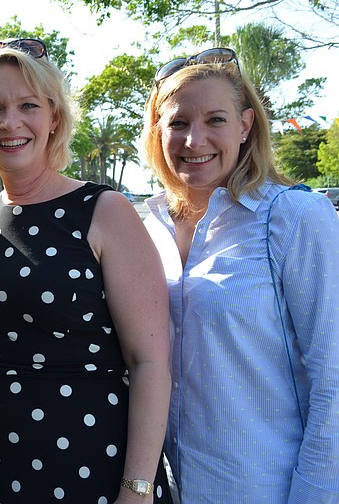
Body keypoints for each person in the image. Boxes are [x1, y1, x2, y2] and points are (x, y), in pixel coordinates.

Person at [0, 38, 173, 503]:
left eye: (28, 105)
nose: (11, 123)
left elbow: (150, 362)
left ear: (54, 117)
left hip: (87, 459)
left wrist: (138, 487)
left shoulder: (104, 211)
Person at [141, 47, 339, 502]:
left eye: (215, 120)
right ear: (158, 131)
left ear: (245, 125)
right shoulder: (143, 226)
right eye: (177, 123)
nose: (195, 140)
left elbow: (332, 378)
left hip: (267, 487)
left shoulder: (294, 216)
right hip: (171, 488)